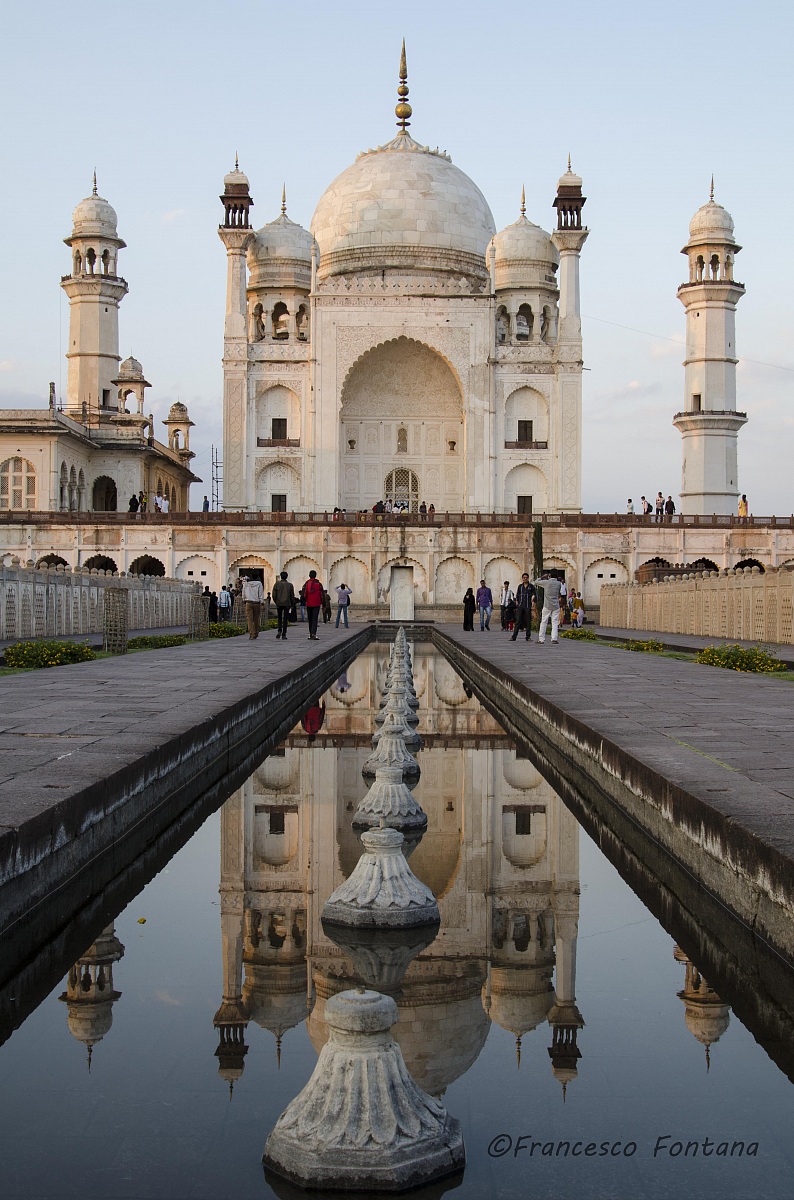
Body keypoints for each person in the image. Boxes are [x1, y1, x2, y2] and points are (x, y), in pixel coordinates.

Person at [533, 570, 563, 644]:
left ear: (549, 575)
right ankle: (554, 638)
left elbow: (536, 582)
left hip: (547, 605)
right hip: (556, 605)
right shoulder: (559, 584)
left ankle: (541, 639)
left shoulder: (546, 582)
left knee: (544, 622)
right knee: (555, 622)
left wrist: (543, 577)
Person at [511, 573, 536, 641]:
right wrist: (517, 602)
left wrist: (533, 599)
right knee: (518, 620)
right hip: (521, 605)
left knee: (528, 621)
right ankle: (514, 636)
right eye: (524, 577)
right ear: (522, 578)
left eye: (526, 577)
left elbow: (534, 594)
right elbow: (518, 594)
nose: (525, 579)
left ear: (528, 578)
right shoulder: (520, 586)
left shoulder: (531, 586)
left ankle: (528, 636)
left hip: (528, 605)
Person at [272, 570, 295, 640]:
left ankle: (279, 630)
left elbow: (274, 595)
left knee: (279, 618)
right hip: (287, 603)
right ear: (287, 577)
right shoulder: (290, 585)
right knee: (285, 619)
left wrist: (276, 601)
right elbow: (292, 595)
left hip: (279, 603)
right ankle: (284, 634)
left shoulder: (277, 584)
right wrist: (292, 604)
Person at [242, 574, 264, 639]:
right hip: (256, 603)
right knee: (256, 619)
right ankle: (255, 632)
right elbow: (261, 594)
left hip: (248, 602)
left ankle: (251, 633)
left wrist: (243, 600)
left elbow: (243, 593)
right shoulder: (259, 584)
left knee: (249, 619)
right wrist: (262, 603)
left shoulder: (246, 584)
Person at [303, 569, 324, 639]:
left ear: (309, 575)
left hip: (309, 603)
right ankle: (313, 633)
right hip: (317, 603)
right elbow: (322, 594)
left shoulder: (306, 583)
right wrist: (323, 603)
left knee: (310, 619)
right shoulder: (318, 584)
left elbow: (304, 594)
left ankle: (310, 634)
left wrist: (306, 600)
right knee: (315, 619)